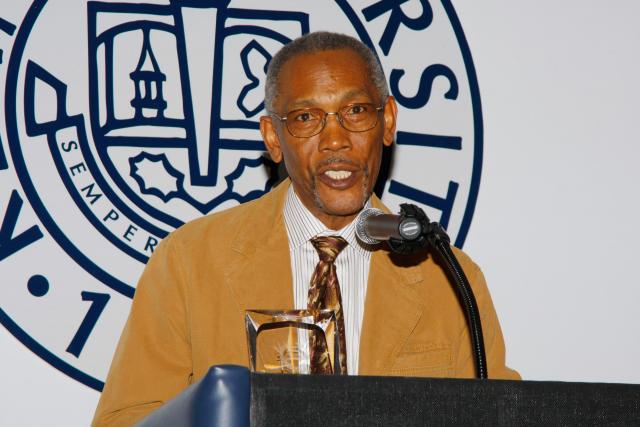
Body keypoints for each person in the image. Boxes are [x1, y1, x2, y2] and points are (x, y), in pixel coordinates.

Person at [92, 31, 519, 426]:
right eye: (305, 117)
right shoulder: (189, 262)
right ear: (273, 137)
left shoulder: (449, 277)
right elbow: (127, 420)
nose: (335, 139)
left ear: (387, 121)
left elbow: (503, 415)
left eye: (354, 111)